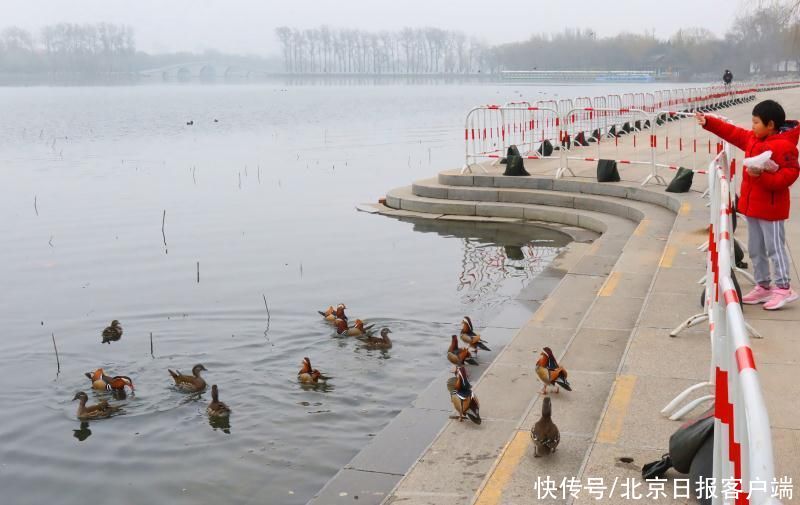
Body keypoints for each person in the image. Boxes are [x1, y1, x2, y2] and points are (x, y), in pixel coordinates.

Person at [697, 99, 800, 309]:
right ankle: (763, 285)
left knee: (775, 248)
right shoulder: (753, 139)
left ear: (770, 125)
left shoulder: (785, 146)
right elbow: (732, 132)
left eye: (755, 123)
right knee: (755, 248)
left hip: (771, 210)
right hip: (753, 207)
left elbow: (789, 175)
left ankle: (783, 287)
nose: (752, 126)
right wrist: (708, 121)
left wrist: (761, 176)